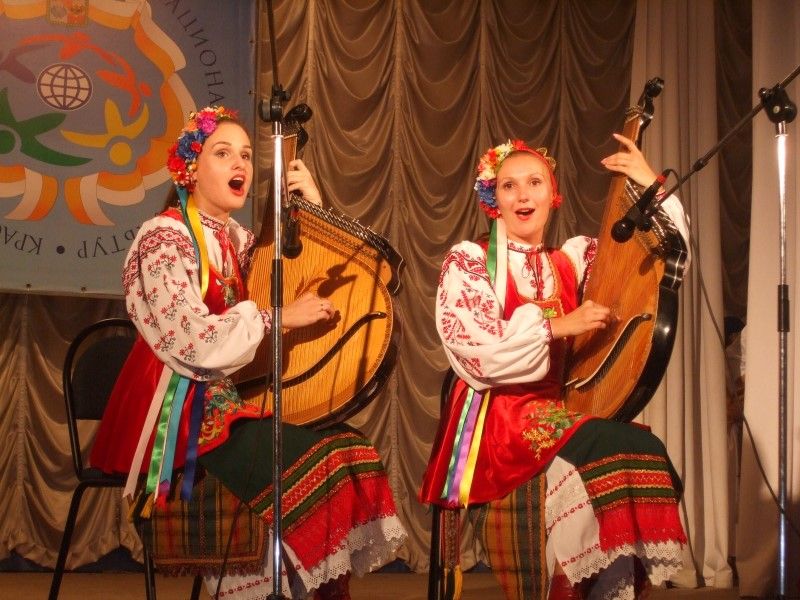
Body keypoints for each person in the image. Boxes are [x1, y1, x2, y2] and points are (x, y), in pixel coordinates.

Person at [91, 105, 406, 600]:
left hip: (233, 400)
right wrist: (279, 318)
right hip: (180, 406)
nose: (240, 163)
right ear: (190, 169)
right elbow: (192, 340)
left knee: (351, 447)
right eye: (223, 153)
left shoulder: (238, 239)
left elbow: (301, 270)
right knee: (319, 461)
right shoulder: (163, 238)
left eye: (244, 154)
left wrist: (311, 210)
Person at [420, 136, 690, 600]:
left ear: (552, 194)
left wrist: (648, 183)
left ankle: (588, 585)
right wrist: (559, 325)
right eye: (509, 186)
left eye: (534, 183)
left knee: (647, 449)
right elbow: (476, 352)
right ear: (493, 199)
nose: (523, 195)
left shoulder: (574, 260)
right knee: (611, 445)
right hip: (496, 418)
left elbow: (659, 254)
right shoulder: (469, 261)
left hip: (556, 407)